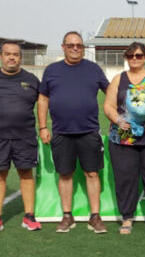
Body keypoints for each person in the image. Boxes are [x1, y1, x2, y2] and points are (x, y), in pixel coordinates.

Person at [38, 31, 110, 234]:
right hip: (61, 132)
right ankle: (67, 216)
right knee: (65, 174)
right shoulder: (52, 70)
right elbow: (43, 99)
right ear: (63, 47)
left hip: (89, 131)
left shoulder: (93, 69)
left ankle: (95, 217)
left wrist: (117, 114)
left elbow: (111, 92)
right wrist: (42, 127)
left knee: (92, 173)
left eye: (79, 45)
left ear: (83, 48)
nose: (75, 48)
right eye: (71, 45)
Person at [104, 42, 145, 235]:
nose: (135, 58)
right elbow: (108, 105)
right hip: (125, 134)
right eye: (131, 55)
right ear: (126, 57)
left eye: (139, 55)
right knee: (125, 178)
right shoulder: (119, 79)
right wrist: (118, 120)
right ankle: (127, 217)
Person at [0, 41, 42, 234]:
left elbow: (44, 102)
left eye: (15, 54)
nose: (12, 57)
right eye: (8, 54)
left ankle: (29, 216)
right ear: (1, 56)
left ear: (20, 57)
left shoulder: (31, 79)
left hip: (25, 136)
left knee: (26, 173)